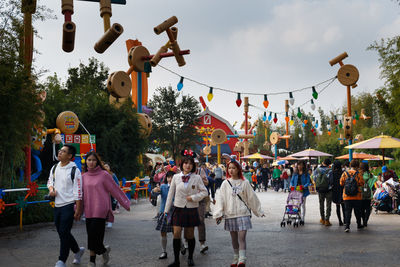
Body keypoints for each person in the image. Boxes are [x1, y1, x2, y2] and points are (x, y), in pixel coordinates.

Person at [214, 156, 265, 267]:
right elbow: (221, 199)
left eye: (233, 168)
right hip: (230, 214)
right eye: (229, 168)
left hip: (243, 213)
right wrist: (218, 213)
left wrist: (259, 211)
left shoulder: (245, 182)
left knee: (241, 237)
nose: (231, 170)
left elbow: (252, 197)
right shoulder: (225, 183)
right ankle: (236, 257)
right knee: (234, 239)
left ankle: (242, 259)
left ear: (238, 169)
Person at [82, 151, 131, 266]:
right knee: (92, 235)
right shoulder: (83, 176)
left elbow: (115, 189)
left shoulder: (104, 175)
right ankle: (104, 251)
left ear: (97, 161)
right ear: (86, 162)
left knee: (94, 234)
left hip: (100, 209)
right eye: (89, 160)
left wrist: (125, 203)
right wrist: (77, 207)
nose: (91, 162)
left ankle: (91, 261)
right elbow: (80, 194)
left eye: (94, 160)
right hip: (89, 209)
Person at [164, 150, 208, 267]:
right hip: (178, 208)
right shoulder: (176, 177)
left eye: (190, 163)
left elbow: (205, 192)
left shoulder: (197, 177)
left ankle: (190, 257)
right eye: (185, 163)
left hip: (191, 209)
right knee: (176, 233)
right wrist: (166, 210)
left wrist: (193, 197)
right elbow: (170, 194)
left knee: (189, 235)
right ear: (182, 164)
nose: (188, 165)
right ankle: (176, 260)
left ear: (193, 165)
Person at [47, 145, 85, 267]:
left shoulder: (75, 170)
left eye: (63, 151)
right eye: (60, 151)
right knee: (63, 232)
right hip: (57, 205)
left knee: (64, 231)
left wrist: (78, 209)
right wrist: (51, 189)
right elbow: (50, 181)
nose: (59, 152)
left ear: (70, 156)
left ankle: (61, 260)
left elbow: (78, 191)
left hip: (68, 205)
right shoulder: (54, 168)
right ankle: (78, 251)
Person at [154, 171, 175, 260]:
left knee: (176, 232)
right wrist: (155, 190)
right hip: (164, 212)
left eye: (172, 177)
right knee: (163, 232)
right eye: (168, 177)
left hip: (175, 212)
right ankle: (164, 251)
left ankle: (181, 246)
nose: (170, 179)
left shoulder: (179, 187)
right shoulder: (163, 187)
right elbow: (154, 193)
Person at [339, 159, 364, 233]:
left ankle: (347, 226)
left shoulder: (345, 173)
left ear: (350, 165)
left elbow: (341, 183)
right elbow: (362, 183)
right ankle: (359, 224)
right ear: (357, 166)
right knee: (357, 211)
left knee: (347, 211)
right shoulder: (358, 174)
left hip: (346, 196)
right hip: (357, 196)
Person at [314, 158, 333, 226]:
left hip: (320, 189)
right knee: (328, 205)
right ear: (329, 164)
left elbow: (314, 178)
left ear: (323, 162)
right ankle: (327, 220)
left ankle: (322, 219)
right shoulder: (330, 171)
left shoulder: (317, 170)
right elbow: (331, 180)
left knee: (321, 204)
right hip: (328, 190)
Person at [360, 162, 377, 227]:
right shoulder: (371, 175)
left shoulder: (360, 175)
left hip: (361, 194)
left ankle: (363, 219)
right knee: (367, 208)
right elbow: (376, 179)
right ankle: (366, 221)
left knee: (361, 208)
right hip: (369, 195)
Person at [103, 162, 120, 228]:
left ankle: (110, 221)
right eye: (104, 166)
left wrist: (113, 191)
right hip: (103, 195)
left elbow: (117, 184)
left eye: (107, 166)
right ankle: (104, 220)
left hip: (111, 194)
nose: (106, 168)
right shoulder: (101, 175)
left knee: (110, 208)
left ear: (109, 168)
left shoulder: (112, 175)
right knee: (103, 208)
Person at [331, 160, 345, 226]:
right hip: (342, 191)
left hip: (335, 191)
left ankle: (340, 221)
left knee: (338, 207)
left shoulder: (332, 173)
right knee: (344, 207)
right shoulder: (343, 173)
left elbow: (331, 182)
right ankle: (345, 220)